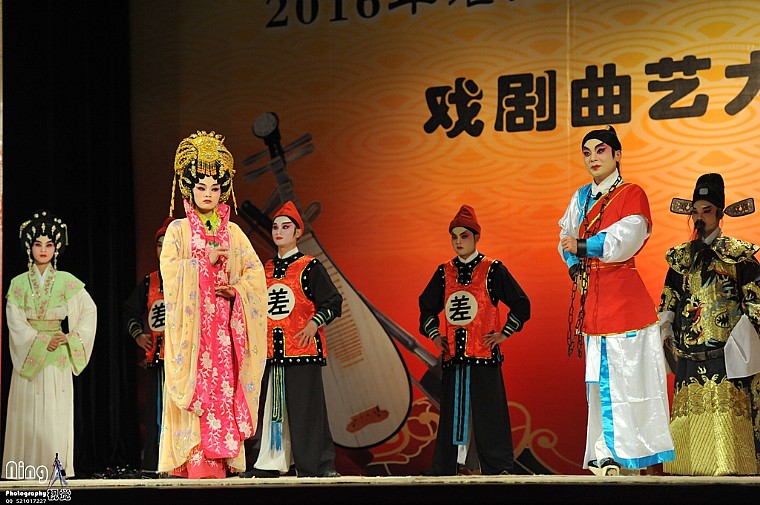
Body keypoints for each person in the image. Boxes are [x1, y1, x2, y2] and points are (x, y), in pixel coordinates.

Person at [558, 125, 674, 476]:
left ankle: (637, 456)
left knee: (633, 383)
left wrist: (582, 246)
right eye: (587, 152)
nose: (592, 158)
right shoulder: (581, 197)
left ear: (617, 155)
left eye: (600, 151)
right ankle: (603, 454)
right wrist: (574, 266)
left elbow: (626, 238)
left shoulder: (631, 194)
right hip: (594, 303)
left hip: (625, 304)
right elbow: (564, 236)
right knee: (597, 384)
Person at [158, 130, 268, 478]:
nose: (208, 194)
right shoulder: (178, 230)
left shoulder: (234, 233)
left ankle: (221, 462)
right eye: (201, 187)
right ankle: (192, 461)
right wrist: (202, 262)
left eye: (215, 188)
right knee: (197, 386)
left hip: (224, 328)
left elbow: (255, 275)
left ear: (223, 191)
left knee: (224, 387)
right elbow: (169, 271)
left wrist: (237, 291)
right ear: (189, 188)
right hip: (193, 331)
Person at [659, 173, 760, 476]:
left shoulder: (739, 257)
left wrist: (745, 339)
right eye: (695, 211)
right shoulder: (681, 258)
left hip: (729, 354)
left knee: (728, 426)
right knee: (690, 428)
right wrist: (666, 330)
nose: (700, 217)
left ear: (720, 212)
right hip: (688, 353)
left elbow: (756, 301)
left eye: (707, 210)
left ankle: (734, 479)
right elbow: (669, 299)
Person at [418, 204, 530, 476]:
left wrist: (504, 332)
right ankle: (446, 468)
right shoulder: (444, 271)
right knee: (451, 414)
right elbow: (426, 307)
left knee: (490, 413)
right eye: (454, 237)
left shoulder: (492, 269)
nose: (458, 242)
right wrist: (435, 336)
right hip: (454, 358)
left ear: (476, 237)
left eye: (464, 236)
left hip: (484, 356)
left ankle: (498, 467)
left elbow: (521, 304)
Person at [246, 200, 343, 478]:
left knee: (307, 410)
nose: (279, 232)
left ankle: (318, 466)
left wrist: (314, 323)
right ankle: (270, 463)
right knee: (271, 410)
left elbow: (333, 301)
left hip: (302, 349)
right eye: (275, 227)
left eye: (285, 227)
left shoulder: (309, 266)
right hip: (272, 352)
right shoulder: (264, 269)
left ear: (298, 232)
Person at [1, 210, 97, 479]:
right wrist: (42, 339)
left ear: (56, 248)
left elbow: (89, 311)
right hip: (31, 356)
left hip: (57, 356)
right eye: (37, 244)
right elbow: (15, 322)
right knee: (27, 415)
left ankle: (54, 470)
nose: (43, 250)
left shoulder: (67, 281)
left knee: (54, 414)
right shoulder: (18, 284)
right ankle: (24, 471)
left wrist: (70, 337)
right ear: (29, 247)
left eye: (49, 244)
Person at [122, 217, 174, 478]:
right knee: (155, 413)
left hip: (183, 362)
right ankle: (153, 465)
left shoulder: (189, 278)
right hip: (157, 358)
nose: (163, 249)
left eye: (169, 244)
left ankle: (179, 465)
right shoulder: (150, 282)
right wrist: (139, 335)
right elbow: (130, 311)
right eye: (160, 245)